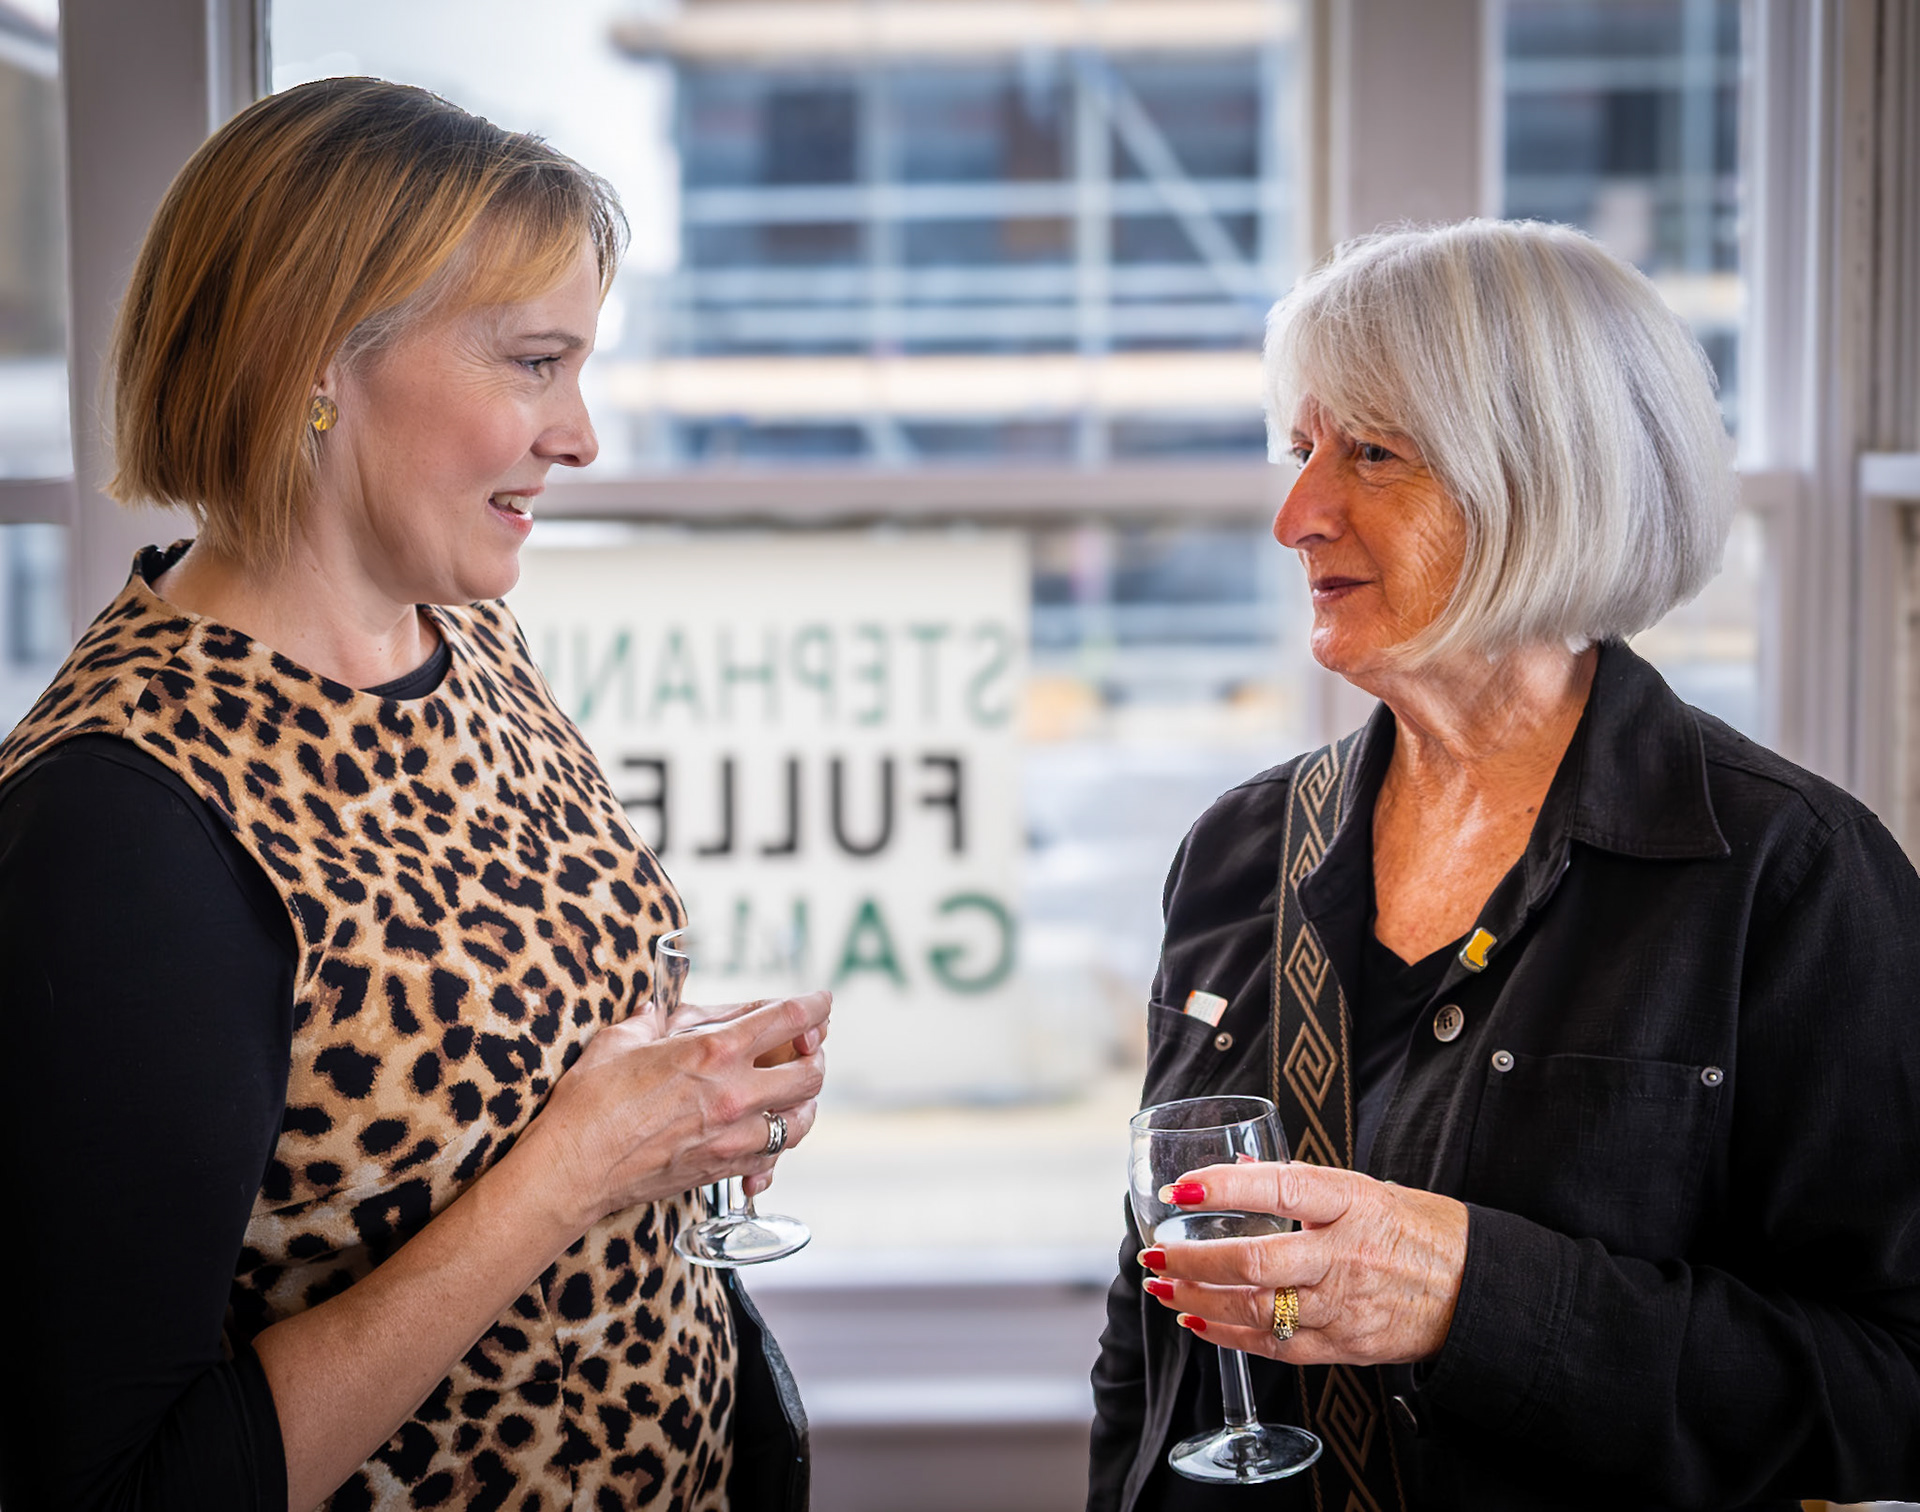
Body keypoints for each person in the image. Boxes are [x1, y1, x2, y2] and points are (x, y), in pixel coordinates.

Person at [0, 78, 827, 1512]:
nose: (579, 436)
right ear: (315, 356)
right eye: (531, 362)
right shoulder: (117, 825)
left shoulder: (459, 636)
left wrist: (665, 1092)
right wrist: (577, 1166)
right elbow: (123, 1488)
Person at [1087, 219, 1920, 1511]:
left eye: (1371, 453)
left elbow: (1888, 1390)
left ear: (1546, 481)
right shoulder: (1239, 852)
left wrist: (1473, 1296)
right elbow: (1144, 1350)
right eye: (1299, 449)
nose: (1296, 515)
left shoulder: (1790, 879)